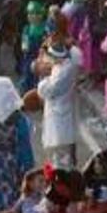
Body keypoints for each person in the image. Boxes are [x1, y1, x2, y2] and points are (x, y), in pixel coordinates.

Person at [37, 41, 80, 169]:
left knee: (60, 148)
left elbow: (50, 89)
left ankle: (62, 172)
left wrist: (42, 82)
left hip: (60, 114)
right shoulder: (62, 66)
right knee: (59, 148)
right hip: (60, 110)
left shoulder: (65, 71)